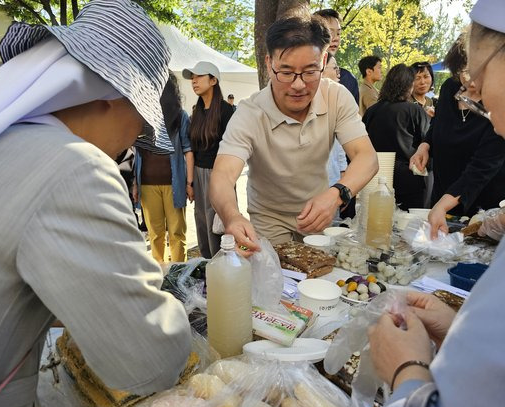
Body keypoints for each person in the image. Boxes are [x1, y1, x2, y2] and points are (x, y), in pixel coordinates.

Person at [0, 1, 191, 407]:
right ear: (115, 96)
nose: (134, 141)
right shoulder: (76, 168)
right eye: (143, 124)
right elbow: (146, 361)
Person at [369, 1, 505, 407]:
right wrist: (459, 332)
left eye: (479, 75)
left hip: (472, 194)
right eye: (467, 81)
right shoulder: (448, 94)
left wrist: (407, 370)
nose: (474, 91)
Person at [209, 12, 378, 250]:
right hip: (268, 218)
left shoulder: (336, 97)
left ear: (322, 63)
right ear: (269, 64)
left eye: (310, 72)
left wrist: (336, 194)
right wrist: (231, 216)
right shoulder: (250, 112)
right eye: (286, 72)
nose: (298, 85)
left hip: (318, 212)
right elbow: (223, 175)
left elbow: (367, 157)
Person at [409, 34, 505, 238]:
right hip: (444, 192)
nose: (470, 80)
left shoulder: (498, 100)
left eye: (476, 71)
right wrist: (425, 144)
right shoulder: (449, 89)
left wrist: (443, 205)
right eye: (464, 72)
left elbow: (483, 166)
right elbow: (438, 123)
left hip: (483, 200)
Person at [133, 73, 195, 262]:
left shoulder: (179, 116)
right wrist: (135, 184)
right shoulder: (141, 113)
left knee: (177, 233)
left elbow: (188, 150)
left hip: (174, 183)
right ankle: (159, 275)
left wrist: (189, 182)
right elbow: (135, 152)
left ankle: (178, 274)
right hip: (147, 184)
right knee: (155, 234)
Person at [182, 61, 235, 258]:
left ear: (213, 80)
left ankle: (223, 262)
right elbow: (192, 148)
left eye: (198, 77)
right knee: (202, 219)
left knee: (218, 221)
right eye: (192, 78)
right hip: (198, 171)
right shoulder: (197, 111)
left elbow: (231, 148)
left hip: (219, 173)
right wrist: (190, 181)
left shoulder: (225, 110)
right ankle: (206, 263)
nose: (194, 81)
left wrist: (224, 178)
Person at [363, 64, 430, 210]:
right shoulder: (414, 110)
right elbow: (427, 140)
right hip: (408, 178)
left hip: (374, 177)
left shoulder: (372, 111)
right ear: (409, 85)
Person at [314, 8, 359, 104]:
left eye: (338, 33)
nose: (336, 38)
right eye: (329, 32)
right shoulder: (298, 75)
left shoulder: (348, 79)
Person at [323, 52, 348, 186]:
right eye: (334, 68)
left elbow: (339, 142)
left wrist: (343, 170)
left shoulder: (336, 99)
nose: (339, 73)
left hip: (332, 181)